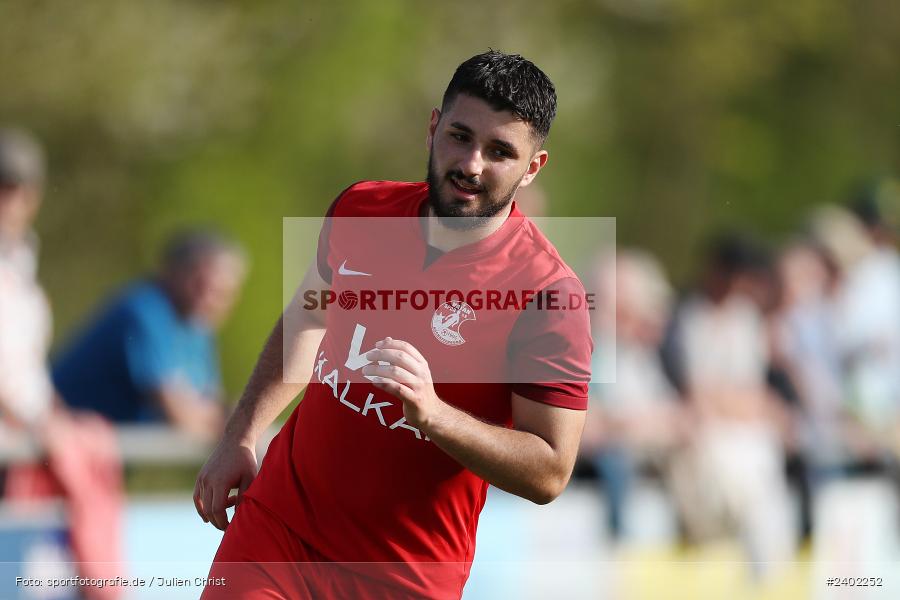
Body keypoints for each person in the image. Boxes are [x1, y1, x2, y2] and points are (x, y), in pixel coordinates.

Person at [195, 51, 594, 599]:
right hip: (279, 530)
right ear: (433, 128)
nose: (472, 164)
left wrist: (434, 416)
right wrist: (241, 434)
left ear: (533, 168)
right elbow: (310, 315)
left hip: (403, 575)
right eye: (459, 136)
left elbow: (550, 470)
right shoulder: (362, 208)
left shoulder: (550, 295)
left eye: (500, 151)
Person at [0, 127, 124, 600]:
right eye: (2, 184)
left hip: (27, 453)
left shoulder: (22, 265)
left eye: (19, 186)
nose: (11, 198)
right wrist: (33, 422)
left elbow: (25, 366)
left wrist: (54, 419)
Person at [52, 230, 246, 442]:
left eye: (223, 293)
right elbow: (180, 417)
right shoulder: (144, 311)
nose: (210, 299)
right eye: (201, 284)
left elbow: (215, 406)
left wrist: (232, 416)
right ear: (172, 272)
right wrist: (230, 421)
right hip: (41, 447)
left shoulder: (198, 326)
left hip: (90, 456)